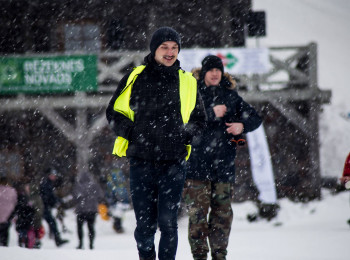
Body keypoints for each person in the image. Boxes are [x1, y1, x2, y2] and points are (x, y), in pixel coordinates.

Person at [106, 26, 206, 260]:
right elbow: (113, 113)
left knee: (168, 223)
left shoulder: (188, 81)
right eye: (165, 47)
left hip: (173, 162)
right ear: (154, 49)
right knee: (145, 227)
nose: (170, 52)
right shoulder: (135, 76)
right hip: (141, 162)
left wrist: (185, 135)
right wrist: (132, 132)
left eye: (174, 48)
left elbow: (200, 120)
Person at [184, 55, 262, 260]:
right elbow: (184, 125)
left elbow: (255, 118)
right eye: (211, 70)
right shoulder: (192, 93)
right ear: (203, 73)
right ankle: (199, 256)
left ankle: (220, 255)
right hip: (196, 168)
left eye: (218, 70)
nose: (215, 73)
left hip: (224, 168)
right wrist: (210, 112)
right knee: (197, 216)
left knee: (222, 217)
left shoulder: (231, 96)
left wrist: (242, 126)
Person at [72, 171, 103, 249]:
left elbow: (75, 198)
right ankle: (91, 244)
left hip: (81, 211)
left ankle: (80, 244)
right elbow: (100, 196)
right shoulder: (95, 185)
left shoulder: (78, 186)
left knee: (80, 228)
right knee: (91, 228)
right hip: (92, 211)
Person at [39, 168, 69, 247]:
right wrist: (56, 201)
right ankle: (56, 239)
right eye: (53, 175)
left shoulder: (47, 183)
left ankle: (56, 239)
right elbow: (48, 196)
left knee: (51, 223)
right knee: (50, 223)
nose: (54, 177)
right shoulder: (46, 184)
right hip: (43, 207)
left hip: (44, 206)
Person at [0, 176, 17, 246]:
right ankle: (4, 244)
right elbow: (15, 202)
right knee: (5, 231)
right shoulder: (12, 191)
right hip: (8, 214)